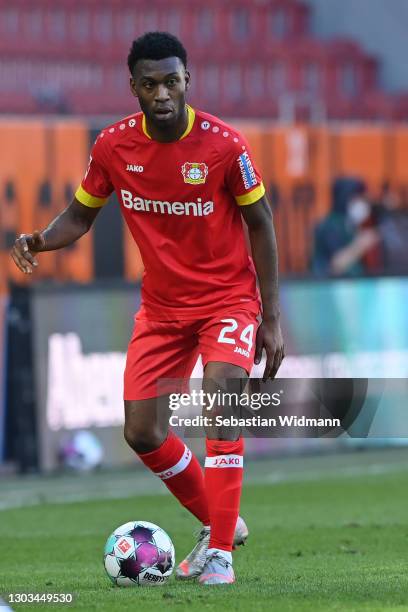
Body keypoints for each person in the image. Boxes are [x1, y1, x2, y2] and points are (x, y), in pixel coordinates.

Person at [10, 32, 284, 585]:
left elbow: (262, 224)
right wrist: (40, 240)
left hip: (227, 299)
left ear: (188, 81)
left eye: (172, 81)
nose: (162, 93)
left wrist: (271, 317)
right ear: (133, 86)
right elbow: (81, 215)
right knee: (141, 431)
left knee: (222, 402)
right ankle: (217, 523)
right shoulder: (113, 147)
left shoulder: (224, 145)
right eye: (151, 83)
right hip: (161, 309)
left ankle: (222, 555)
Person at [312, 177, 379, 277]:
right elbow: (336, 264)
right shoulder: (329, 225)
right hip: (328, 288)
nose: (362, 202)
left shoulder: (350, 224)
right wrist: (362, 243)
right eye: (357, 198)